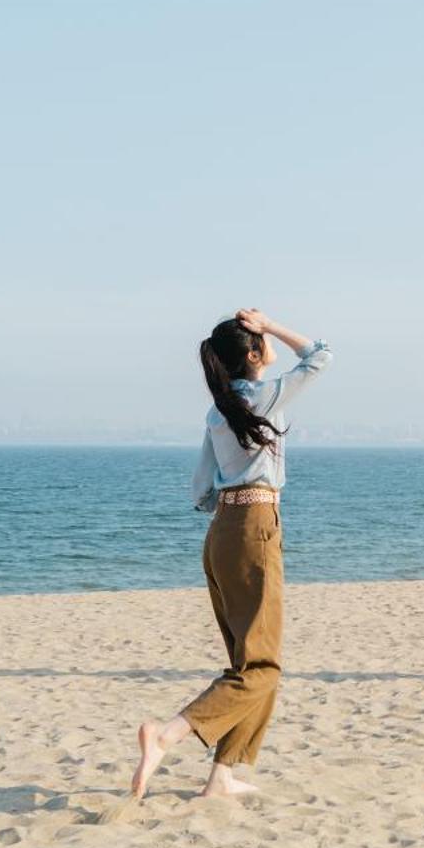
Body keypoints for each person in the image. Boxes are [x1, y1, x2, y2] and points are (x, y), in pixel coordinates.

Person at [131, 306, 332, 799]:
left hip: (222, 530)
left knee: (252, 664)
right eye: (260, 341)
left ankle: (223, 775)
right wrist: (273, 326)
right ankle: (168, 734)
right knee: (261, 668)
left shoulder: (220, 410)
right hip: (255, 525)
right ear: (252, 352)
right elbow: (319, 356)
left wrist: (231, 508)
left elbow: (201, 489)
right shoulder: (264, 396)